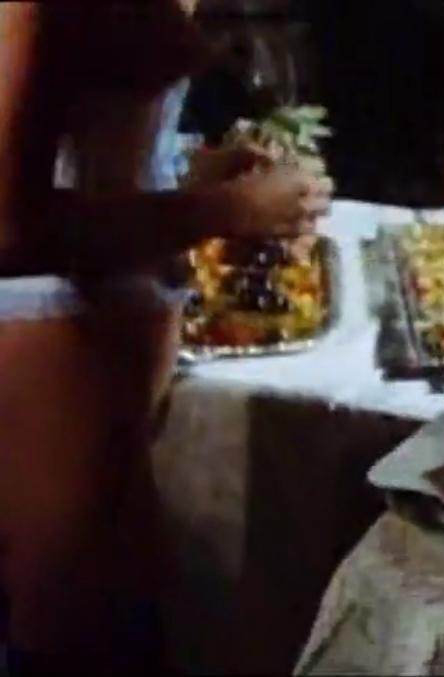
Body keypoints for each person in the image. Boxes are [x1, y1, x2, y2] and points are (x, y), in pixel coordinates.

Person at [0, 1, 330, 672]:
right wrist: (227, 209)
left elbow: (80, 145)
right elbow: (8, 228)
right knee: (81, 649)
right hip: (51, 351)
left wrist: (188, 168)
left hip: (107, 348)